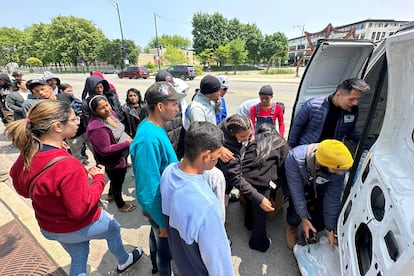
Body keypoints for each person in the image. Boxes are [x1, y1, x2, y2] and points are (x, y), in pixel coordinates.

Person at [6, 100, 142, 275]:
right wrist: (99, 180)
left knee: (78, 257)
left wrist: (76, 175)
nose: (78, 121)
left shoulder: (28, 154)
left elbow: (24, 189)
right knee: (113, 228)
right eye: (73, 119)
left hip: (49, 226)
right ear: (57, 127)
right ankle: (124, 261)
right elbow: (80, 210)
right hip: (76, 224)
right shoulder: (68, 165)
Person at [160, 121, 234, 275]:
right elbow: (219, 265)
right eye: (217, 156)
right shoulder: (208, 205)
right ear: (206, 156)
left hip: (181, 261)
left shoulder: (168, 172)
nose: (218, 160)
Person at [130, 81, 186, 276]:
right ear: (160, 107)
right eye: (174, 104)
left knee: (156, 240)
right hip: (160, 210)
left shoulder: (153, 126)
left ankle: (155, 265)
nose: (177, 108)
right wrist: (163, 224)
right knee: (166, 253)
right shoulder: (148, 138)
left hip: (161, 208)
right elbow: (147, 189)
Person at [284, 139, 354, 249]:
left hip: (320, 187)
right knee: (295, 210)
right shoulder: (295, 158)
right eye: (336, 170)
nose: (341, 174)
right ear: (322, 164)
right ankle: (292, 226)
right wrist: (303, 218)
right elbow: (296, 192)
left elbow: (333, 198)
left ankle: (311, 230)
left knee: (321, 215)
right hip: (301, 184)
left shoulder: (338, 168)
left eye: (343, 170)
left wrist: (330, 228)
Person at [241, 123, 290, 252]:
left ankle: (248, 224)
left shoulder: (254, 141)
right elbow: (283, 167)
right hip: (263, 183)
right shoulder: (281, 143)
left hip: (244, 180)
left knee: (251, 202)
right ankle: (258, 243)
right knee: (260, 214)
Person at [217, 114, 275, 215]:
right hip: (221, 182)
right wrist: (259, 199)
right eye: (242, 136)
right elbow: (236, 178)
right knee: (220, 208)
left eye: (249, 134)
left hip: (226, 177)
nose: (246, 139)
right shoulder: (229, 154)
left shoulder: (225, 125)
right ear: (231, 133)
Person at [86, 95, 136, 212]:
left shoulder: (111, 114)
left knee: (115, 180)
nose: (107, 109)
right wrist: (127, 143)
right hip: (112, 161)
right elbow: (105, 149)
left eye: (107, 105)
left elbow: (119, 129)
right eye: (102, 108)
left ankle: (111, 195)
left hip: (120, 155)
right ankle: (121, 205)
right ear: (94, 111)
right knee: (118, 181)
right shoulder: (96, 128)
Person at [288, 78, 371, 148]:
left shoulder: (352, 110)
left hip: (330, 155)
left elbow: (350, 131)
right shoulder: (313, 106)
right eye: (351, 99)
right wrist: (291, 148)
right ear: (338, 94)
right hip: (308, 153)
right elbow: (297, 127)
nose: (355, 103)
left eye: (358, 99)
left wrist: (368, 145)